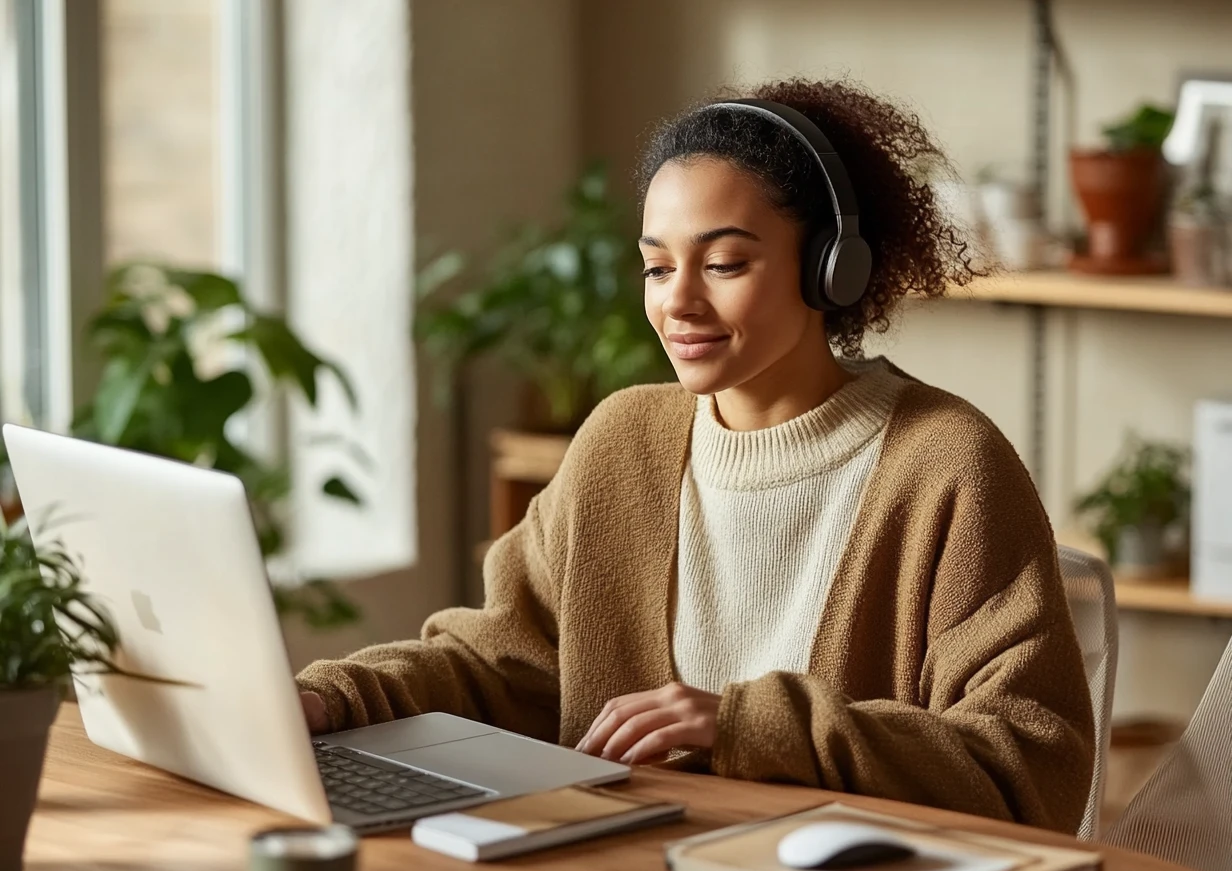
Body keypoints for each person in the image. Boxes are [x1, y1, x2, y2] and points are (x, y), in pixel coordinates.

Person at [297, 78, 1095, 833]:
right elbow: (494, 665)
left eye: (722, 264)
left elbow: (1029, 766)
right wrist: (329, 699)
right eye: (657, 266)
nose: (678, 301)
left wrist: (743, 726)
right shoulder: (623, 441)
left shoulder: (948, 463)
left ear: (832, 270)